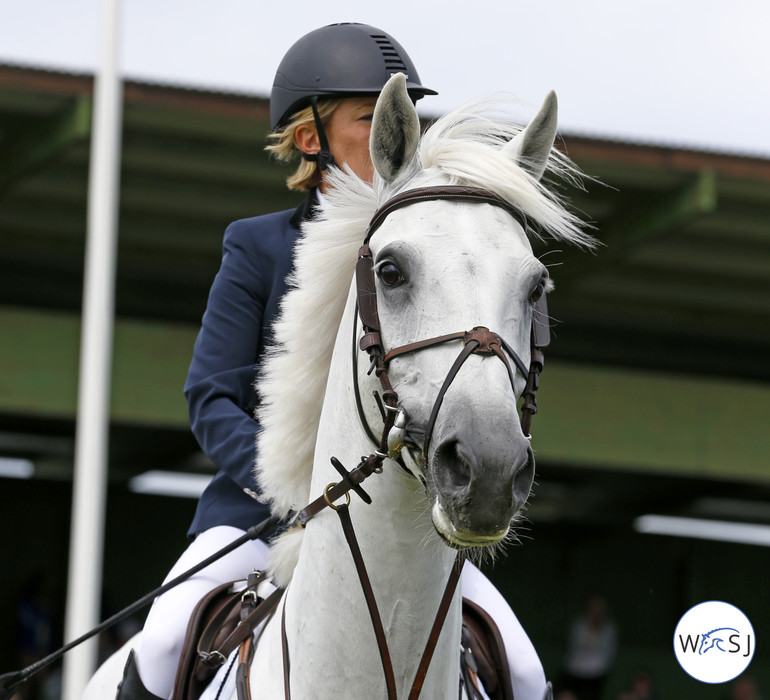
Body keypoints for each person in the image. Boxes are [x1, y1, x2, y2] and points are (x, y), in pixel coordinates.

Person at [116, 22, 548, 700]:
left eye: (397, 114)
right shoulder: (257, 246)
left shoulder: (435, 247)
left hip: (407, 520)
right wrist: (292, 488)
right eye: (367, 117)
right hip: (257, 519)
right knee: (166, 638)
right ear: (310, 137)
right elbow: (210, 395)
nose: (390, 132)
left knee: (523, 670)